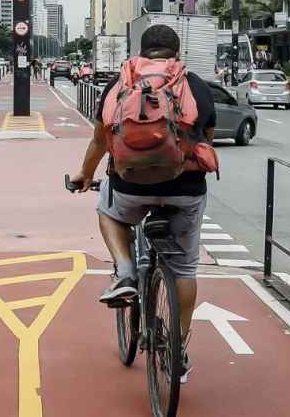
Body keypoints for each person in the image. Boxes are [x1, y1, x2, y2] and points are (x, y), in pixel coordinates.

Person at [68, 24, 217, 386]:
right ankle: (178, 349)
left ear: (141, 51)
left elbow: (100, 138)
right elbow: (207, 140)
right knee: (184, 270)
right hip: (185, 189)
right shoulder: (193, 84)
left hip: (130, 185)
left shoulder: (122, 83)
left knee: (107, 210)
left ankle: (126, 272)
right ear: (176, 53)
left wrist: (85, 176)